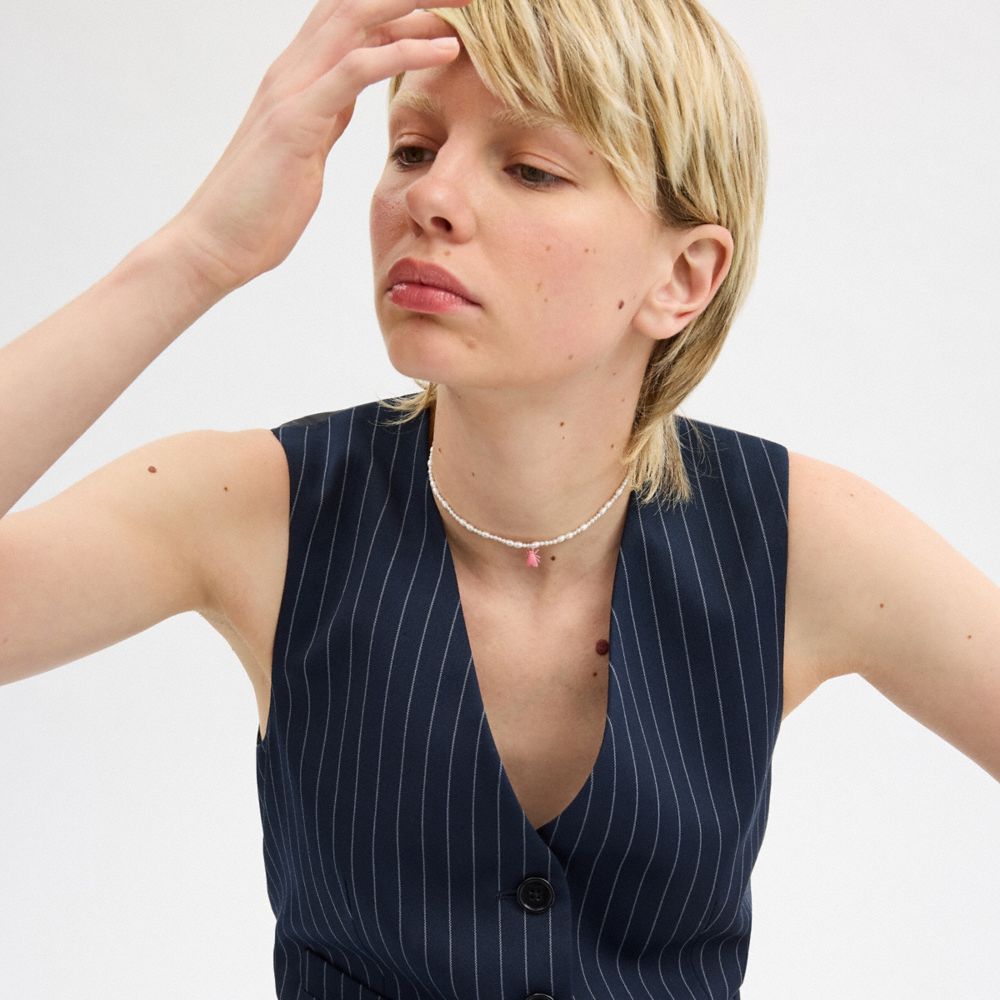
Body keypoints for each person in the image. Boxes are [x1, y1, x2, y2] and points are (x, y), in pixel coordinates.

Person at [1, 0, 997, 997]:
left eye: (529, 168)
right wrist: (198, 253)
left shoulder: (797, 538)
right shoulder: (255, 507)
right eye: (411, 148)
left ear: (683, 276)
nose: (430, 196)